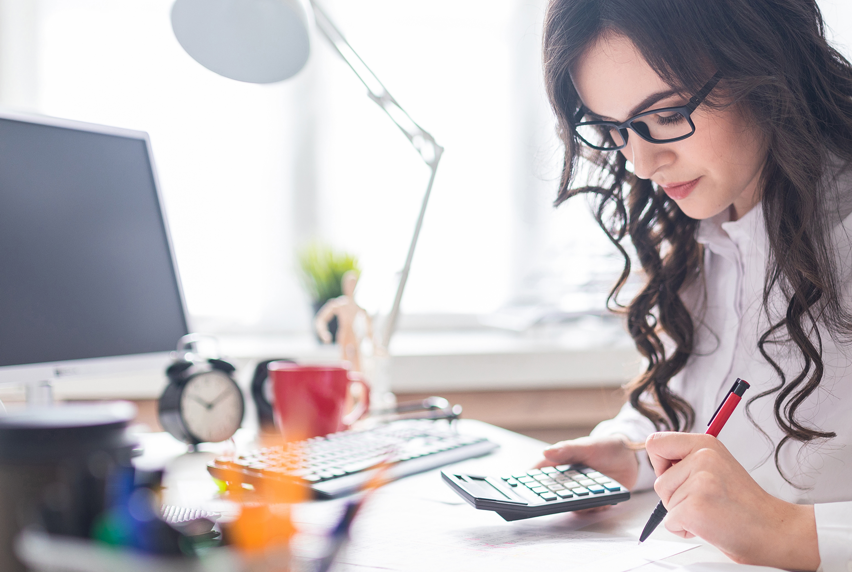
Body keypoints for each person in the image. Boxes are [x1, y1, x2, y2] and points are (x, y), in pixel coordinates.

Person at [536, 1, 852, 570]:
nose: (640, 162)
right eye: (613, 129)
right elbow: (711, 411)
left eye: (667, 114)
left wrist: (787, 531)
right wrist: (634, 454)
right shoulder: (702, 234)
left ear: (764, 64)